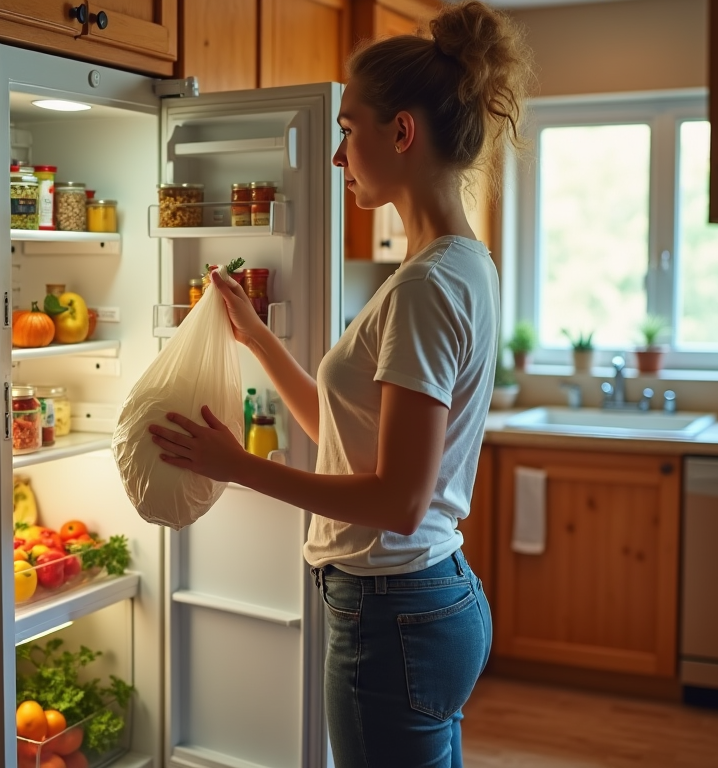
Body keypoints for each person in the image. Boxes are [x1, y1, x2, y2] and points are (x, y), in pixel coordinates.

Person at [148, 1, 533, 765]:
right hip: (427, 601)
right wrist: (257, 339)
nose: (336, 156)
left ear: (403, 132)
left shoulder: (427, 285)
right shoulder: (464, 264)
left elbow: (396, 500)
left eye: (347, 129)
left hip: (392, 615)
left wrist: (238, 467)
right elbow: (349, 441)